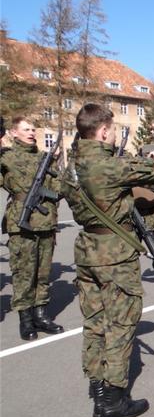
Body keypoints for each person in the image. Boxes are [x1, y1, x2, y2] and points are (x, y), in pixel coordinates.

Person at [61, 103, 154, 417]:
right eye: (112, 128)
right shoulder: (109, 167)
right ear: (103, 130)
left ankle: (97, 384)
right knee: (121, 323)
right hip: (114, 253)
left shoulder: (72, 169)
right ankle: (114, 399)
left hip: (87, 248)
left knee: (95, 322)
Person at [1, 116, 64, 341]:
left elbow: (58, 188)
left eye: (33, 129)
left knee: (42, 273)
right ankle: (26, 320)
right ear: (13, 133)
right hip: (21, 222)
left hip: (46, 222)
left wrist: (57, 169)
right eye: (26, 129)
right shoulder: (6, 158)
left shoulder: (44, 158)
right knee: (23, 274)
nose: (31, 132)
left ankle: (41, 315)